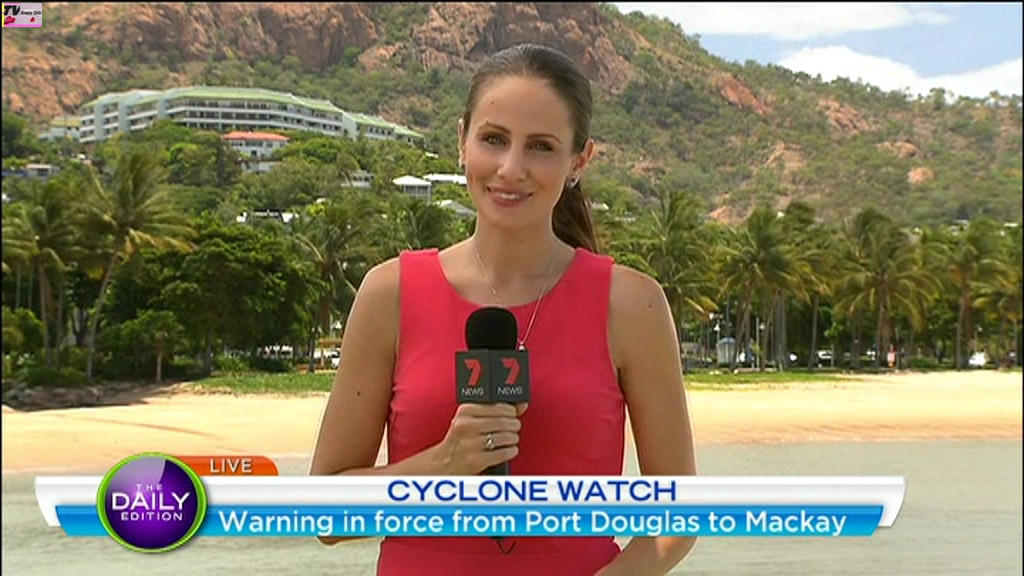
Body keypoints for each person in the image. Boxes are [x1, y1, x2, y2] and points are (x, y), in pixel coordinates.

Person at [309, 43, 697, 576]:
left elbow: (677, 516)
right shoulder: (389, 293)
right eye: (493, 139)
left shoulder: (632, 305)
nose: (511, 168)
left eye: (540, 147)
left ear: (579, 160)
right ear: (461, 141)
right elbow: (324, 515)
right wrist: (441, 468)